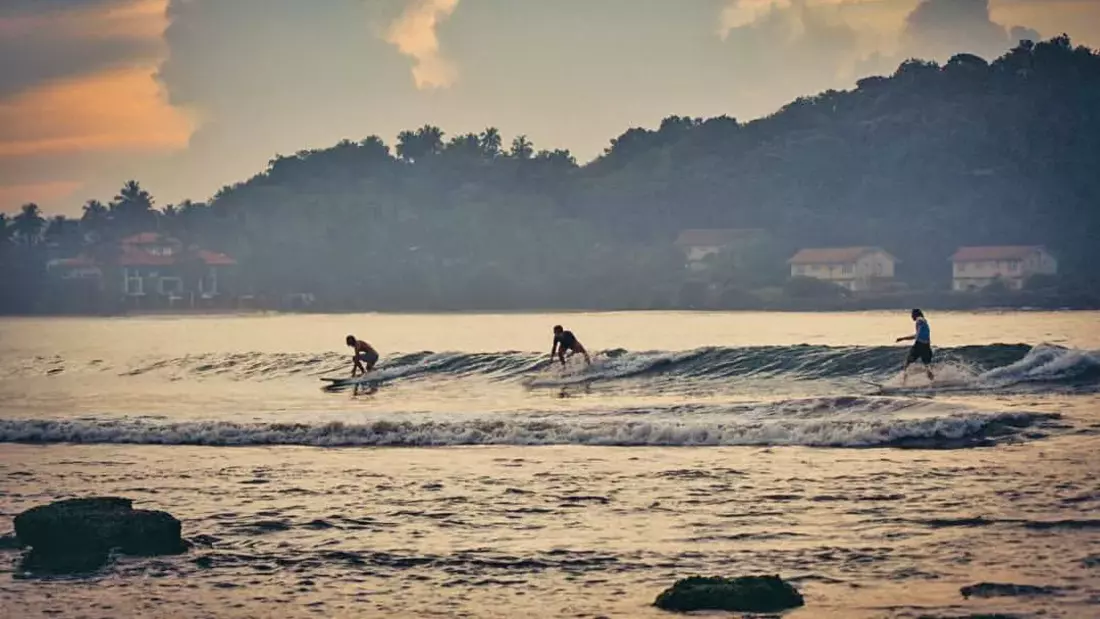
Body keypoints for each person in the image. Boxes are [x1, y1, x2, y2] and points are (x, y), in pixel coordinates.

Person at [895, 309, 934, 384]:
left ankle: (904, 383)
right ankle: (933, 382)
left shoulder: (920, 320)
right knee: (927, 366)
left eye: (912, 314)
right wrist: (903, 338)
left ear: (915, 315)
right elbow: (916, 336)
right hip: (926, 346)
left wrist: (920, 319)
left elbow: (921, 320)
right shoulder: (922, 325)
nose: (911, 316)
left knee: (907, 364)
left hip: (919, 345)